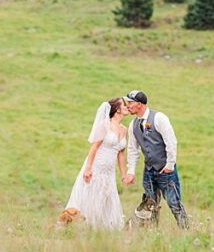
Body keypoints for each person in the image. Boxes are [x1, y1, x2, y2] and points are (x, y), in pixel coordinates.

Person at [122, 90, 190, 229]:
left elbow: (171, 142)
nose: (127, 105)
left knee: (174, 203)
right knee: (150, 205)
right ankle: (153, 233)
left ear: (139, 104)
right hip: (149, 171)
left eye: (130, 102)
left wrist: (170, 164)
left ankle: (187, 232)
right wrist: (131, 171)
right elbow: (132, 149)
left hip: (165, 170)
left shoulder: (159, 118)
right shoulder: (133, 125)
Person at [64, 97, 130, 229]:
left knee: (106, 197)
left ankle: (104, 228)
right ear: (117, 109)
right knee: (91, 196)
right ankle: (84, 225)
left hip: (109, 171)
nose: (127, 107)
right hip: (96, 167)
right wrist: (88, 169)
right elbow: (94, 147)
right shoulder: (105, 125)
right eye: (124, 105)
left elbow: (121, 153)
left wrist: (123, 174)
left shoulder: (124, 129)